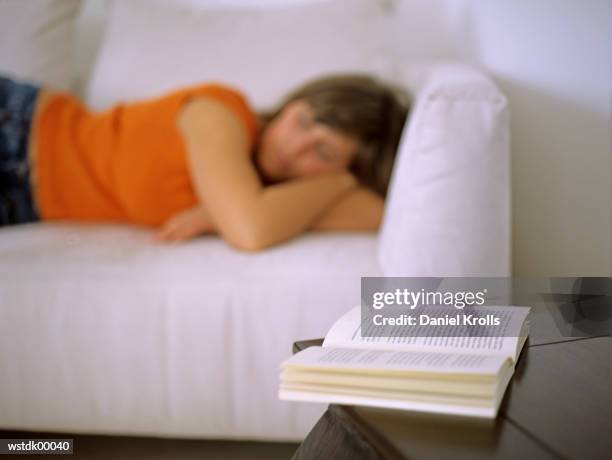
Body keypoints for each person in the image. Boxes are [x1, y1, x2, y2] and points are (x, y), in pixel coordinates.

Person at [0, 74, 409, 250]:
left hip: (23, 203)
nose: (295, 145)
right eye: (302, 121)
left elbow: (385, 213)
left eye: (323, 151)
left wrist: (222, 212)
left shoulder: (264, 193)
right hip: (18, 133)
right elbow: (251, 230)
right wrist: (338, 180)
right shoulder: (220, 112)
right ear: (289, 105)